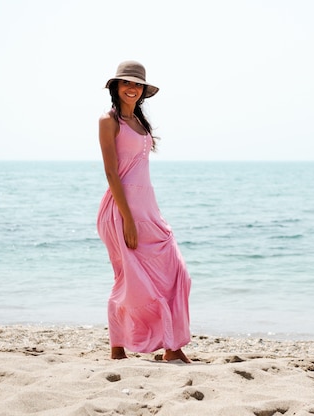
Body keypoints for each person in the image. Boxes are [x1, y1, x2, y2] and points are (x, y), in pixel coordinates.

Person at [96, 60, 191, 363]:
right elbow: (112, 173)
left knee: (177, 274)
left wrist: (149, 215)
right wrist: (128, 220)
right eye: (127, 83)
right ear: (116, 87)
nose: (132, 89)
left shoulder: (140, 122)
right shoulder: (108, 121)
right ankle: (119, 348)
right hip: (122, 209)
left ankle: (171, 346)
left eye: (137, 84)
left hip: (148, 208)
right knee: (130, 281)